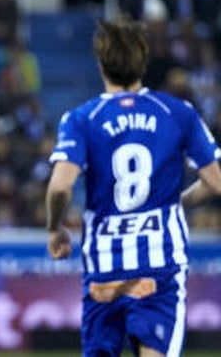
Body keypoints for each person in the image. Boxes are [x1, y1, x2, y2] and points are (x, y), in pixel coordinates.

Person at [45, 19, 221, 357]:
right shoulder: (177, 112)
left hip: (103, 268)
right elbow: (215, 182)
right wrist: (176, 203)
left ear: (100, 64)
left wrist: (55, 228)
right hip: (159, 265)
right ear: (145, 62)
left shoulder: (82, 118)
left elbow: (60, 187)